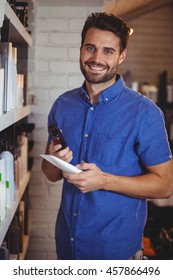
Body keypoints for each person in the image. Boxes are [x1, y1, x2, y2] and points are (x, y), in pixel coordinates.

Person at [42, 12, 173, 260]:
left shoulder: (145, 113)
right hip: (67, 249)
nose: (96, 59)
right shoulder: (62, 105)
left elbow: (166, 186)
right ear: (81, 48)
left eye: (108, 51)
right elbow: (50, 175)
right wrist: (52, 158)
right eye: (90, 48)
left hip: (117, 254)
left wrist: (104, 181)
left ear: (121, 55)